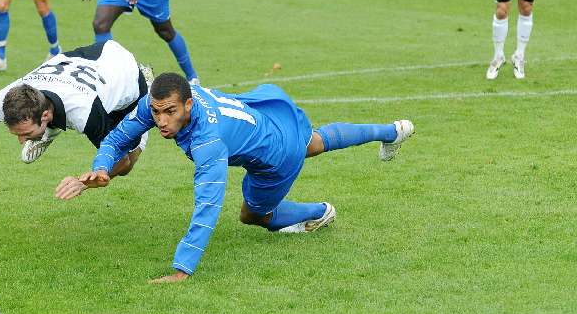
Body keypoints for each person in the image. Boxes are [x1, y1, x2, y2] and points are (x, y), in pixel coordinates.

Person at [55, 73, 415, 283]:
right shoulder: (161, 104)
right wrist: (102, 167)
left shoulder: (207, 142)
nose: (161, 120)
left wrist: (183, 267)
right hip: (268, 115)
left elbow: (208, 205)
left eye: (170, 112)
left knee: (252, 215)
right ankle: (392, 131)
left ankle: (319, 212)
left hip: (275, 156)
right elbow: (119, 137)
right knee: (318, 141)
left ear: (189, 105)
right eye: (156, 112)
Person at [0, 40, 151, 173]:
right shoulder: (12, 96)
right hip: (84, 60)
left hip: (126, 78)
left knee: (129, 158)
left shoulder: (85, 112)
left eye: (25, 133)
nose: (20, 140)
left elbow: (121, 162)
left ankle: (148, 84)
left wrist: (83, 182)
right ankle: (48, 131)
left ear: (44, 115)